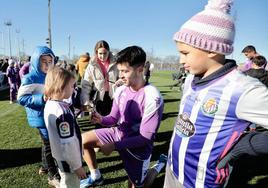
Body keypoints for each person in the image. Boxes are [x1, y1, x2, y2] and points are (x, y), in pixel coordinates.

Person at [164, 0, 268, 187]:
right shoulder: (190, 78)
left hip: (202, 182)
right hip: (172, 171)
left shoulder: (242, 89)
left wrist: (245, 145)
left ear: (211, 49)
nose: (180, 60)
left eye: (185, 53)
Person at [80, 46, 164, 188]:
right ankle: (96, 176)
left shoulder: (153, 97)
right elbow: (113, 118)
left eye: (125, 71)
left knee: (139, 185)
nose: (120, 75)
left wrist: (114, 146)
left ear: (140, 70)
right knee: (82, 141)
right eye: (120, 71)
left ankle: (158, 166)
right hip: (119, 134)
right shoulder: (120, 90)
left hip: (139, 148)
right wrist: (101, 119)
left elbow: (145, 139)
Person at [17, 46, 60, 187]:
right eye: (44, 61)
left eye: (50, 61)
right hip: (39, 116)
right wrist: (41, 98)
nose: (47, 64)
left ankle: (44, 166)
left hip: (52, 114)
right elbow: (21, 98)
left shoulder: (53, 75)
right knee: (49, 144)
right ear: (36, 61)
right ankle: (53, 174)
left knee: (46, 143)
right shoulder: (30, 77)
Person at [44, 66, 87, 188]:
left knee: (66, 182)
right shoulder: (62, 113)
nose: (74, 90)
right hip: (69, 161)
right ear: (61, 86)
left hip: (60, 156)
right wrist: (77, 166)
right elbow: (67, 144)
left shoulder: (50, 104)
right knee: (71, 184)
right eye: (72, 86)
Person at [80, 40, 120, 116]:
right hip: (98, 97)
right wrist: (85, 102)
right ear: (96, 52)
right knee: (99, 121)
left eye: (105, 53)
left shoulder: (116, 64)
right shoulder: (91, 66)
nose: (102, 56)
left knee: (113, 119)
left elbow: (121, 78)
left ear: (109, 51)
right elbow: (86, 85)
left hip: (113, 96)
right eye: (100, 53)